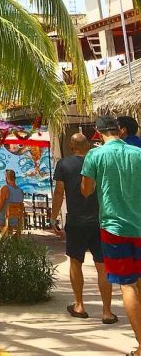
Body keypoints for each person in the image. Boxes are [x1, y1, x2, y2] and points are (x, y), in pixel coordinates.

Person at [82, 116, 141, 356]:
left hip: (114, 228)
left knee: (127, 285)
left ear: (98, 132)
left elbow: (86, 190)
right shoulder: (138, 153)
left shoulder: (95, 156)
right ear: (119, 130)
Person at [52, 133, 117, 324]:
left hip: (76, 221)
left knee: (75, 262)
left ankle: (79, 305)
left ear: (72, 147)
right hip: (100, 220)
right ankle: (107, 311)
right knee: (102, 266)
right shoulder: (99, 161)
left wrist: (53, 217)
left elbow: (58, 192)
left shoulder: (63, 164)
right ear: (88, 145)